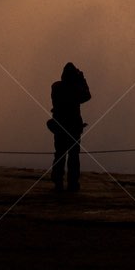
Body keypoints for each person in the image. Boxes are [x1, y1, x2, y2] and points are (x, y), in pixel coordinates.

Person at [48, 61, 91, 192]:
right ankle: (72, 183)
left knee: (60, 154)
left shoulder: (56, 87)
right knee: (73, 155)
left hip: (60, 126)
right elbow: (87, 96)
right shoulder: (75, 89)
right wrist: (82, 79)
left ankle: (58, 181)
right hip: (73, 127)